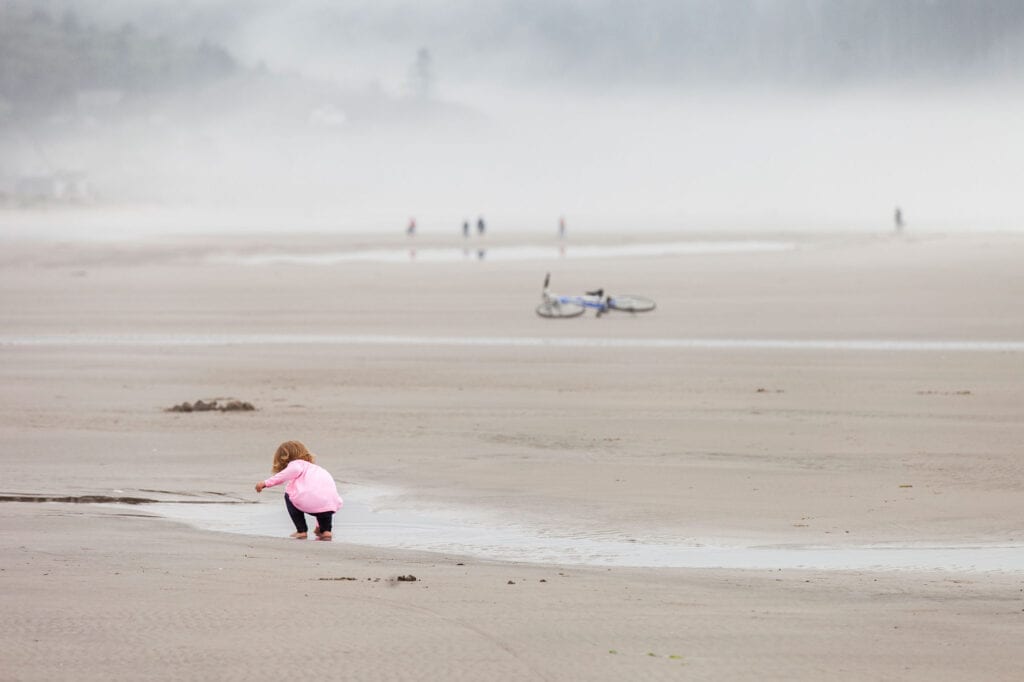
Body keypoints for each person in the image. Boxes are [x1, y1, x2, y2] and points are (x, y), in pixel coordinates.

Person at [255, 440, 343, 541]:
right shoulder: (317, 468)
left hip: (311, 501)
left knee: (289, 494)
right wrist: (319, 525)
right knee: (323, 499)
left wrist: (266, 483)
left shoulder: (296, 464)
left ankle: (301, 531)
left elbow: (284, 476)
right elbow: (320, 499)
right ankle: (326, 531)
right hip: (330, 503)